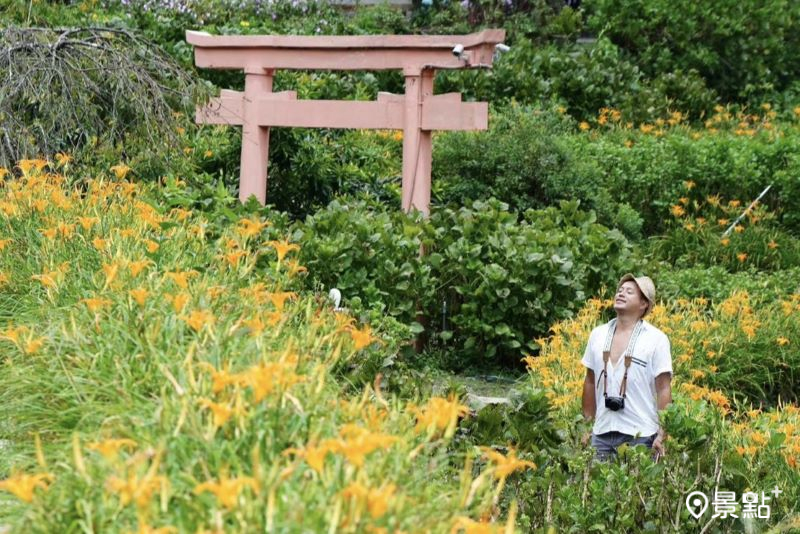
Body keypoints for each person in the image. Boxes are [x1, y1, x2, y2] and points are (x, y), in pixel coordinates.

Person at [580, 274, 673, 461]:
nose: (621, 294)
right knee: (596, 489)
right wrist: (586, 427)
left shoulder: (656, 339)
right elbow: (589, 381)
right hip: (602, 432)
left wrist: (663, 433)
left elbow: (663, 388)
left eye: (629, 292)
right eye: (620, 290)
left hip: (641, 434)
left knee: (636, 489)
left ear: (643, 304)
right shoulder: (598, 335)